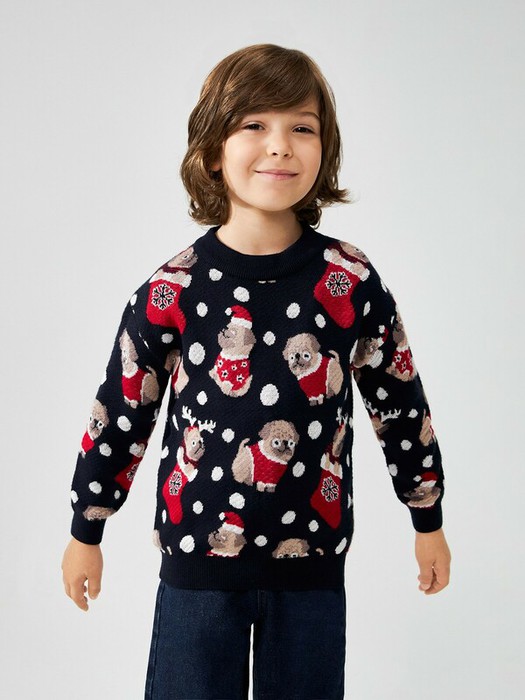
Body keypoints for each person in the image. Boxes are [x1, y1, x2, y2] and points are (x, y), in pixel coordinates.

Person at [61, 43, 451, 700]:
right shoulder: (173, 288)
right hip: (197, 564)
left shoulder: (350, 280)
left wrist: (427, 518)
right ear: (213, 150)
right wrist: (86, 529)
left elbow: (400, 403)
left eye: (302, 127)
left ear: (324, 149)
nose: (279, 145)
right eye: (254, 125)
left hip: (312, 565)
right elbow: (122, 411)